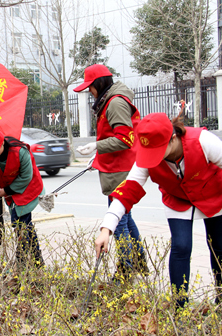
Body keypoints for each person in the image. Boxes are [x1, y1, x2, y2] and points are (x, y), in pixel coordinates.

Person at [95, 112, 222, 309]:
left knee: (218, 245)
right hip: (177, 199)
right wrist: (106, 228)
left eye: (158, 151)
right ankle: (180, 306)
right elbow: (128, 190)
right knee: (181, 247)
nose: (154, 158)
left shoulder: (202, 141)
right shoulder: (146, 157)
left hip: (212, 193)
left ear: (173, 138)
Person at [74, 64, 146, 278]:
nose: (89, 92)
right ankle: (139, 262)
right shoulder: (108, 101)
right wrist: (96, 158)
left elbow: (125, 139)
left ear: (99, 84)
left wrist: (97, 146)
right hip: (115, 166)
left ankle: (125, 271)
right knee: (126, 218)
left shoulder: (115, 103)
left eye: (90, 87)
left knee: (119, 223)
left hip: (121, 171)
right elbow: (111, 136)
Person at [0, 128, 44, 268]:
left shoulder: (20, 151)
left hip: (28, 187)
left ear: (2, 144)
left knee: (20, 224)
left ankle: (21, 264)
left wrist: (7, 191)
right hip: (9, 190)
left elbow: (26, 176)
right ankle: (38, 261)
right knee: (25, 226)